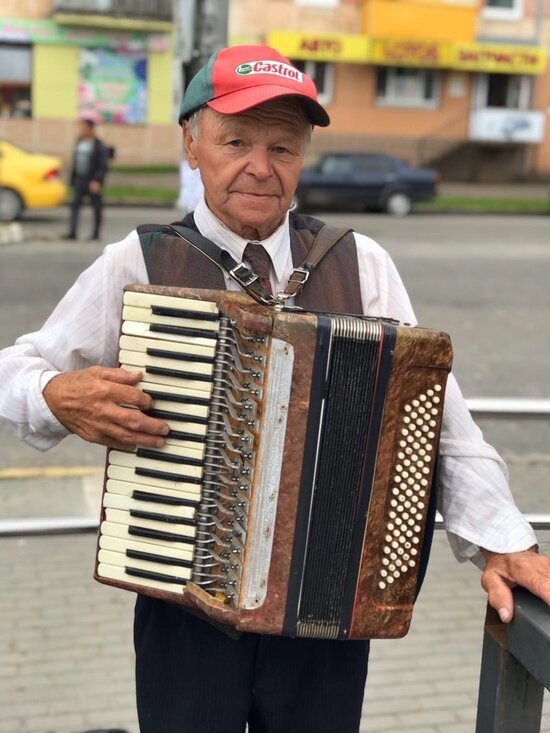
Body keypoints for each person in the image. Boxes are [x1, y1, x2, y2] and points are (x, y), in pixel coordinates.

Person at [0, 44, 549, 733]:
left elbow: (442, 422)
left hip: (327, 617)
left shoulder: (360, 264)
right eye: (236, 141)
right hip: (186, 618)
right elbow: (16, 368)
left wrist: (502, 541)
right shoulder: (140, 261)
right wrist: (54, 394)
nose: (261, 167)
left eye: (283, 148)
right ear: (192, 145)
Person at [63, 118, 109, 242]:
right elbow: (76, 162)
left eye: (84, 127)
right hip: (79, 179)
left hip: (92, 181)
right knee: (75, 206)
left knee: (96, 206)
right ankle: (73, 232)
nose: (81, 130)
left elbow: (102, 165)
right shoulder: (79, 142)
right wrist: (73, 180)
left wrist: (97, 180)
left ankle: (96, 233)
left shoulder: (98, 145)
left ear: (90, 129)